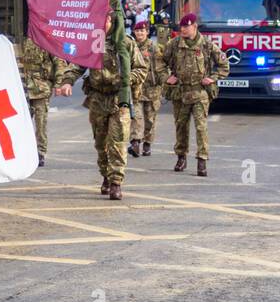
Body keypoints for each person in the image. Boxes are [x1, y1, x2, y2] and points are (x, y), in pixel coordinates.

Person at [57, 12, 149, 200]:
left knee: (118, 143)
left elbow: (141, 69)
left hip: (119, 100)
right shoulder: (92, 41)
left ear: (111, 21)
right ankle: (106, 175)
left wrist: (126, 79)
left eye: (105, 19)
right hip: (98, 99)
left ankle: (116, 182)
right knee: (101, 144)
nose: (102, 23)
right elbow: (77, 65)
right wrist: (67, 81)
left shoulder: (125, 43)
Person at [162, 13, 229, 176]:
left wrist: (212, 78)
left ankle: (202, 160)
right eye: (182, 27)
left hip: (200, 92)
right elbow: (159, 61)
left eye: (187, 26)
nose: (183, 29)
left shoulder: (206, 45)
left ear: (195, 26)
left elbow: (224, 65)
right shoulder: (174, 44)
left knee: (201, 127)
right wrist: (166, 77)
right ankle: (181, 157)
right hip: (180, 92)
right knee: (181, 126)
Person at [19, 36, 67, 167]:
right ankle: (24, 152)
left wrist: (58, 84)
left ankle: (40, 153)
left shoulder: (49, 41)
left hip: (41, 88)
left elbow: (59, 62)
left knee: (40, 124)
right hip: (23, 88)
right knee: (23, 124)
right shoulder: (25, 41)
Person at [129, 20, 166, 157]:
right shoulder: (131, 47)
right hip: (136, 89)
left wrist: (165, 82)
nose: (139, 33)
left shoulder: (154, 48)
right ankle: (135, 143)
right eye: (137, 31)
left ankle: (147, 143)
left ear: (147, 32)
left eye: (142, 31)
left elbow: (161, 67)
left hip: (152, 90)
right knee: (136, 118)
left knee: (150, 120)